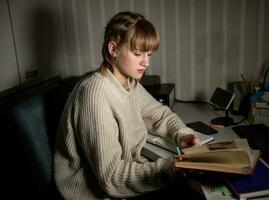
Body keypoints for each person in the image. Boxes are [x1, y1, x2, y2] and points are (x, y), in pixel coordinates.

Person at [54, 11, 202, 200]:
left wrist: (182, 134)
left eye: (149, 54)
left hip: (120, 183)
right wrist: (170, 167)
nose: (146, 62)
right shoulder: (95, 93)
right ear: (113, 49)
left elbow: (160, 114)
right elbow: (111, 178)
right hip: (94, 194)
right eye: (138, 53)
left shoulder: (128, 82)